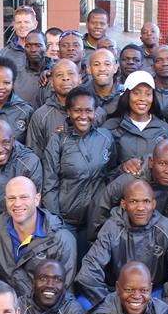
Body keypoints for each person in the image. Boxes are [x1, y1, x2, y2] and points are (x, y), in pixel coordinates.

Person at [76, 179, 168, 307]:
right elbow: (88, 272)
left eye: (146, 201)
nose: (140, 208)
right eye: (134, 201)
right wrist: (109, 303)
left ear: (153, 204)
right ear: (124, 204)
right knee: (82, 304)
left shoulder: (166, 228)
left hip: (153, 293)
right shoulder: (112, 228)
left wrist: (161, 306)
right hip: (119, 293)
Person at [42, 88, 115, 246]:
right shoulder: (58, 140)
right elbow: (49, 183)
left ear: (95, 112)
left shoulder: (106, 138)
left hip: (96, 219)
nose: (83, 116)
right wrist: (56, 221)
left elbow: (111, 173)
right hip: (65, 220)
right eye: (77, 110)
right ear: (69, 112)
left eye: (89, 110)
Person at [0, 176, 77, 298]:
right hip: (5, 306)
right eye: (11, 198)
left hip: (44, 307)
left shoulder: (62, 239)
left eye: (24, 197)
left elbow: (64, 294)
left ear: (37, 199)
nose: (17, 204)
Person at [104, 71, 168, 169]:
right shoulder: (111, 127)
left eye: (148, 94)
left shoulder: (164, 128)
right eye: (136, 93)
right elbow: (104, 170)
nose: (142, 98)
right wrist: (122, 167)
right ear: (127, 95)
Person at [26, 59, 83, 156]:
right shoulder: (40, 116)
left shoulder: (93, 112)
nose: (65, 78)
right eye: (59, 75)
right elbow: (34, 156)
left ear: (80, 79)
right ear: (51, 82)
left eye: (70, 73)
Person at [14, 30, 52, 106]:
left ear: (47, 48)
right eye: (28, 46)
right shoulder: (16, 74)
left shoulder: (56, 71)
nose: (33, 50)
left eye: (38, 46)